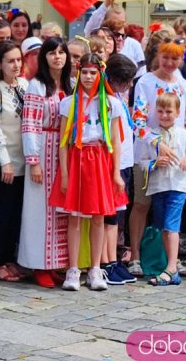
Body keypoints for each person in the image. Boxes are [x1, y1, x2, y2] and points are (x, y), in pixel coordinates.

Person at [50, 54, 127, 291]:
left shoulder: (110, 104)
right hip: (76, 159)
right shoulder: (68, 103)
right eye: (84, 72)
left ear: (100, 74)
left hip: (100, 160)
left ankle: (95, 269)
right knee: (73, 217)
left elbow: (115, 140)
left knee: (98, 217)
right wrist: (64, 174)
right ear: (78, 73)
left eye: (93, 73)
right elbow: (63, 142)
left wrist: (116, 173)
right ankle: (73, 269)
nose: (88, 77)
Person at [129, 37, 186, 277]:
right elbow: (137, 120)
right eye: (165, 57)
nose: (169, 62)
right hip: (147, 153)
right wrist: (155, 143)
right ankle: (135, 255)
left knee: (170, 209)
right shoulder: (146, 81)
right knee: (141, 204)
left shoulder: (183, 85)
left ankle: (170, 258)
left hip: (175, 156)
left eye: (175, 58)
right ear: (158, 56)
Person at [18, 37, 73, 288]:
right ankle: (38, 264)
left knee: (60, 211)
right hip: (43, 149)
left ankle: (55, 263)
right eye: (52, 53)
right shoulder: (37, 86)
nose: (57, 57)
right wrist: (33, 160)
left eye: (61, 52)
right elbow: (29, 124)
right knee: (38, 211)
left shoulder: (70, 85)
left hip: (64, 153)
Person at [138, 92, 186, 286]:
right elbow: (142, 162)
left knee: (171, 226)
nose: (164, 115)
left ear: (178, 112)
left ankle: (171, 267)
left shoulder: (185, 135)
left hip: (178, 186)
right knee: (162, 227)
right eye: (161, 111)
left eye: (169, 111)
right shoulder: (151, 135)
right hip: (158, 186)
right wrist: (154, 163)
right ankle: (167, 265)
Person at [0, 41, 28, 282]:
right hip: (5, 159)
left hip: (24, 159)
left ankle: (10, 257)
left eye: (19, 60)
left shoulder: (24, 85)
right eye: (10, 61)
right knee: (4, 211)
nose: (16, 65)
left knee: (17, 212)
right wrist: (4, 161)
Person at [101, 54, 138, 285]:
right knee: (110, 216)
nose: (131, 85)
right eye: (128, 80)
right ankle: (106, 263)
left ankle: (113, 260)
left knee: (117, 215)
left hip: (124, 162)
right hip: (113, 163)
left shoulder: (117, 98)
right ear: (116, 79)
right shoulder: (108, 100)